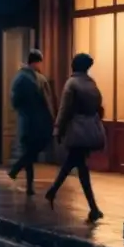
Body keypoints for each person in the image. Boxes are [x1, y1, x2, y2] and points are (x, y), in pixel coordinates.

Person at [45, 53, 105, 222]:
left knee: (75, 164)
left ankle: (53, 192)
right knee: (78, 165)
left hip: (76, 128)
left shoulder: (71, 83)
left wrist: (57, 129)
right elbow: (99, 106)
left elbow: (64, 109)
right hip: (88, 128)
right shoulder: (91, 83)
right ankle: (92, 207)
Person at [7, 49, 56, 195]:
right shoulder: (39, 79)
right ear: (37, 62)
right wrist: (52, 119)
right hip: (39, 122)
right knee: (33, 151)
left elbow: (14, 101)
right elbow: (47, 102)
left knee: (28, 150)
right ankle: (17, 169)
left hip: (24, 120)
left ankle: (29, 186)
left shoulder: (18, 77)